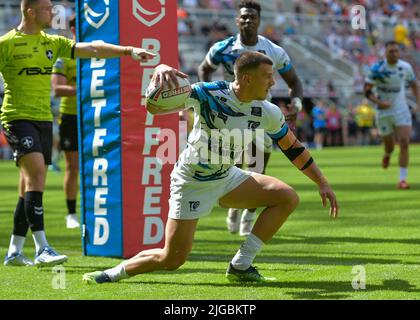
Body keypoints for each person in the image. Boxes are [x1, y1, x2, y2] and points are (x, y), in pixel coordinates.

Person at [82, 52, 338, 285]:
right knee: (172, 259)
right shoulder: (208, 93)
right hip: (192, 182)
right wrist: (160, 67)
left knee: (286, 197)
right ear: (247, 79)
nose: (273, 83)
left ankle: (241, 265)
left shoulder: (267, 111)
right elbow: (154, 106)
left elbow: (292, 147)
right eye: (268, 77)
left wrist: (322, 182)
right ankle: (110, 274)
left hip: (227, 177)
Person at [0, 0, 155, 267]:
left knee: (29, 186)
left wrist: (128, 51)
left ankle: (14, 250)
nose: (54, 13)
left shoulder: (53, 43)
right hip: (16, 117)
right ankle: (42, 247)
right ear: (30, 11)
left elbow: (93, 48)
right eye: (48, 8)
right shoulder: (6, 44)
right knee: (36, 174)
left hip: (44, 119)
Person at [197, 0, 304, 236]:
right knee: (232, 165)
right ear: (237, 20)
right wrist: (209, 97)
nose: (247, 20)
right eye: (243, 16)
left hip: (260, 111)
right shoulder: (222, 48)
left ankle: (250, 212)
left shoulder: (274, 51)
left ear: (259, 20)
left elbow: (294, 81)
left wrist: (295, 104)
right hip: (229, 113)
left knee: (258, 166)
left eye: (252, 17)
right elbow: (204, 68)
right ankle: (235, 207)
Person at [364, 40, 419, 189]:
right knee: (389, 146)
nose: (394, 54)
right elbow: (367, 90)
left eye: (396, 51)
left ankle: (402, 179)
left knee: (404, 142)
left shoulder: (405, 67)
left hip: (401, 109)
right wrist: (379, 102)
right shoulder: (377, 69)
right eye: (391, 51)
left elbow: (414, 85)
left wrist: (418, 104)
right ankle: (387, 154)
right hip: (383, 112)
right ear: (385, 53)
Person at [51, 15, 79, 229]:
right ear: (72, 29)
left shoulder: (102, 55)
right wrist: (83, 91)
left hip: (97, 115)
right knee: (73, 166)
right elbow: (57, 89)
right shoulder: (64, 58)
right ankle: (71, 213)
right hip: (70, 116)